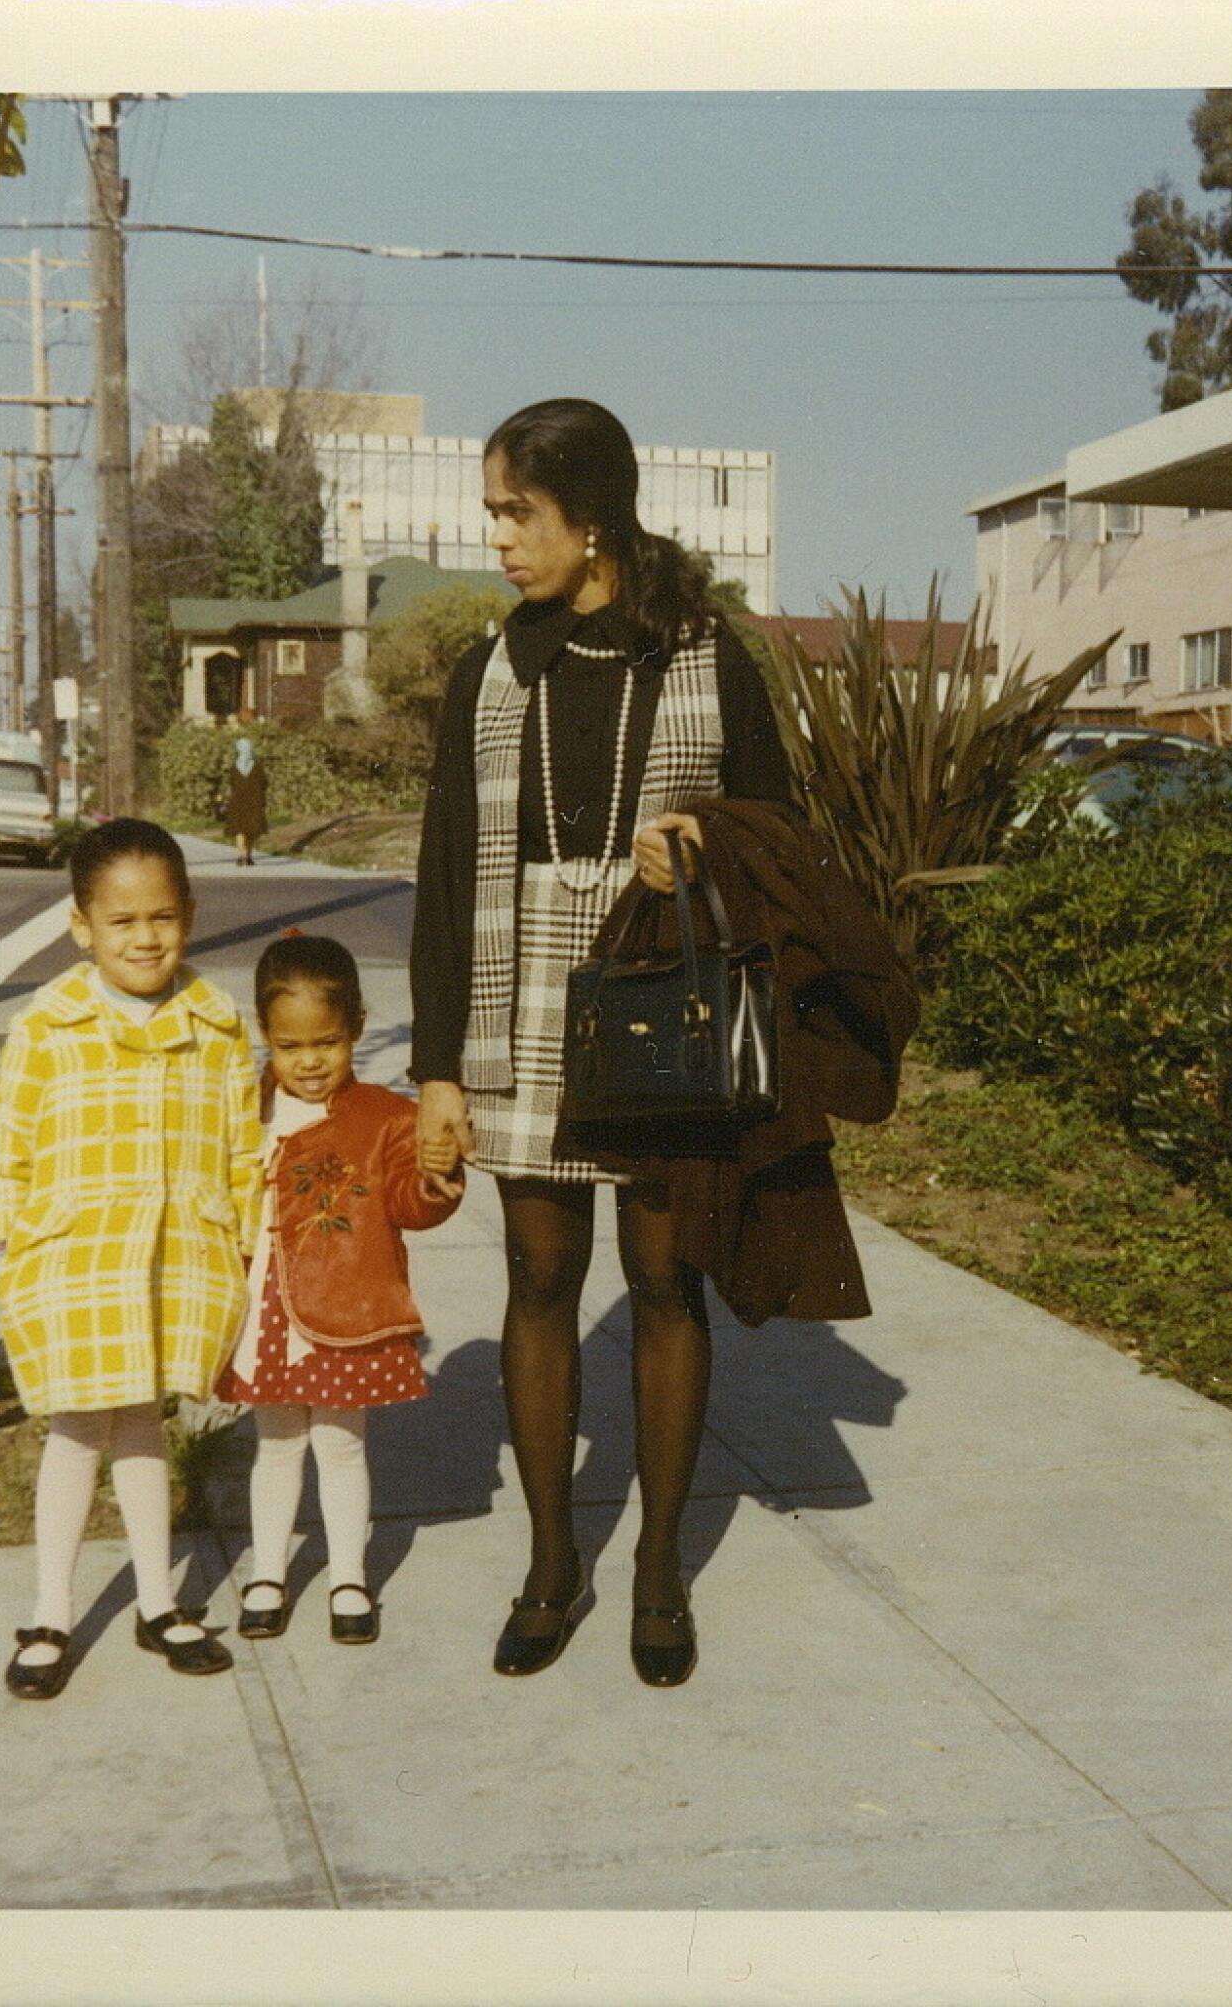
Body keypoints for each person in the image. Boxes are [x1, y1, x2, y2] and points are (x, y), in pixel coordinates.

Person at [410, 397, 797, 1689]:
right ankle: (551, 1563)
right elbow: (447, 871)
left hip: (658, 999)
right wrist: (434, 1075)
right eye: (495, 517)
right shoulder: (492, 667)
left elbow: (781, 838)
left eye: (518, 515)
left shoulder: (706, 655)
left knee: (666, 1280)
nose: (502, 543)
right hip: (517, 1002)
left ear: (594, 513)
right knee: (534, 1279)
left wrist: (698, 844)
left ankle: (657, 1570)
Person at [0, 817, 264, 1699]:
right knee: (74, 1430)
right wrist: (1, 1250)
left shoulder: (217, 1025)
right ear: (82, 927)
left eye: (163, 918)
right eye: (124, 922)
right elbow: (4, 1144)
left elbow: (242, 1147)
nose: (145, 938)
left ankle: (156, 1600)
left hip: (177, 1256)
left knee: (143, 1424)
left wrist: (244, 1248)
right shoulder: (48, 1024)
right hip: (74, 1261)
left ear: (189, 914)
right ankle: (51, 1611)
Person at [216, 934, 463, 1644]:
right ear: (266, 1037)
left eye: (327, 1041)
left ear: (356, 1026)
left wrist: (435, 1172)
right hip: (263, 1309)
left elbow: (413, 1207)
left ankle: (349, 1575)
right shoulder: (245, 1108)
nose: (311, 1061)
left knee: (342, 1444)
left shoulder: (385, 1116)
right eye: (291, 1047)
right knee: (277, 1444)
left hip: (346, 1309)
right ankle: (268, 1572)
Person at [221, 719, 268, 867]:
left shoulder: (234, 768)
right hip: (254, 802)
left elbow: (231, 784)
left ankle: (241, 855)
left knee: (239, 829)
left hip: (238, 802)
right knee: (252, 830)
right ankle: (248, 855)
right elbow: (265, 783)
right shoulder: (258, 767)